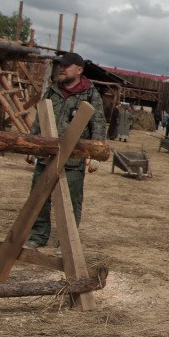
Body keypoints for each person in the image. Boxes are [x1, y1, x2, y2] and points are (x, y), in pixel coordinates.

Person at [24, 52, 107, 249]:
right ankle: (38, 236)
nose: (61, 68)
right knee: (38, 198)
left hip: (73, 160)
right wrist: (31, 144)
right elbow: (39, 118)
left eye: (67, 66)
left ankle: (66, 242)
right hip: (46, 156)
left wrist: (96, 153)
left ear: (79, 70)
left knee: (70, 203)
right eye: (60, 65)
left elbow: (98, 124)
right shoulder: (52, 91)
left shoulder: (90, 95)